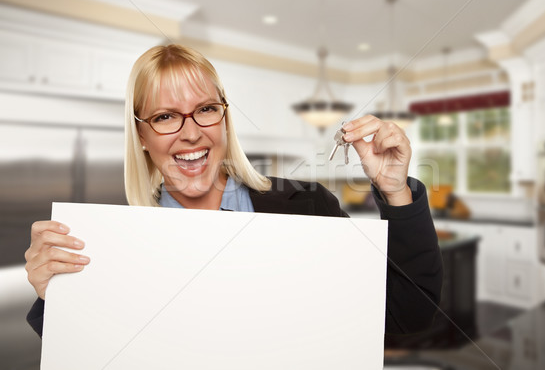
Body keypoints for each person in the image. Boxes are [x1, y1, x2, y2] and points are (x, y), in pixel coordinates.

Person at [24, 44, 443, 338]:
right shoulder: (110, 245)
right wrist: (57, 296)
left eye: (206, 109)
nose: (191, 133)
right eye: (166, 116)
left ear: (224, 118)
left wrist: (395, 190)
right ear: (142, 136)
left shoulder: (308, 206)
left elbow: (408, 313)